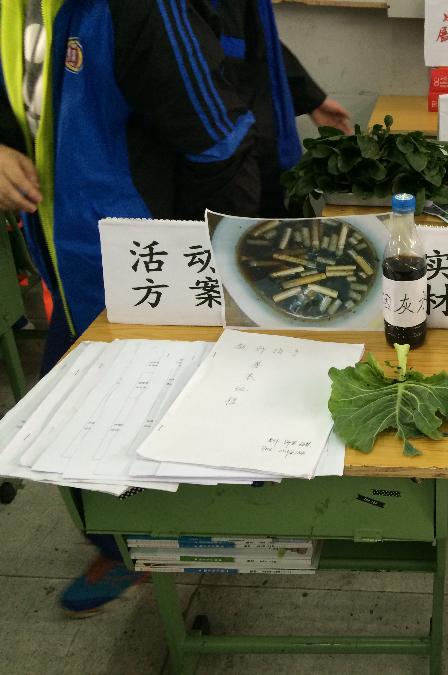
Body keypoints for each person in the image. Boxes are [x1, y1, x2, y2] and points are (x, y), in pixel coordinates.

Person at [0, 0, 348, 615]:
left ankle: (149, 534)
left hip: (144, 246)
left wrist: (213, 268)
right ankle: (135, 536)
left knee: (134, 395)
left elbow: (222, 127)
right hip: (76, 238)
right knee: (88, 402)